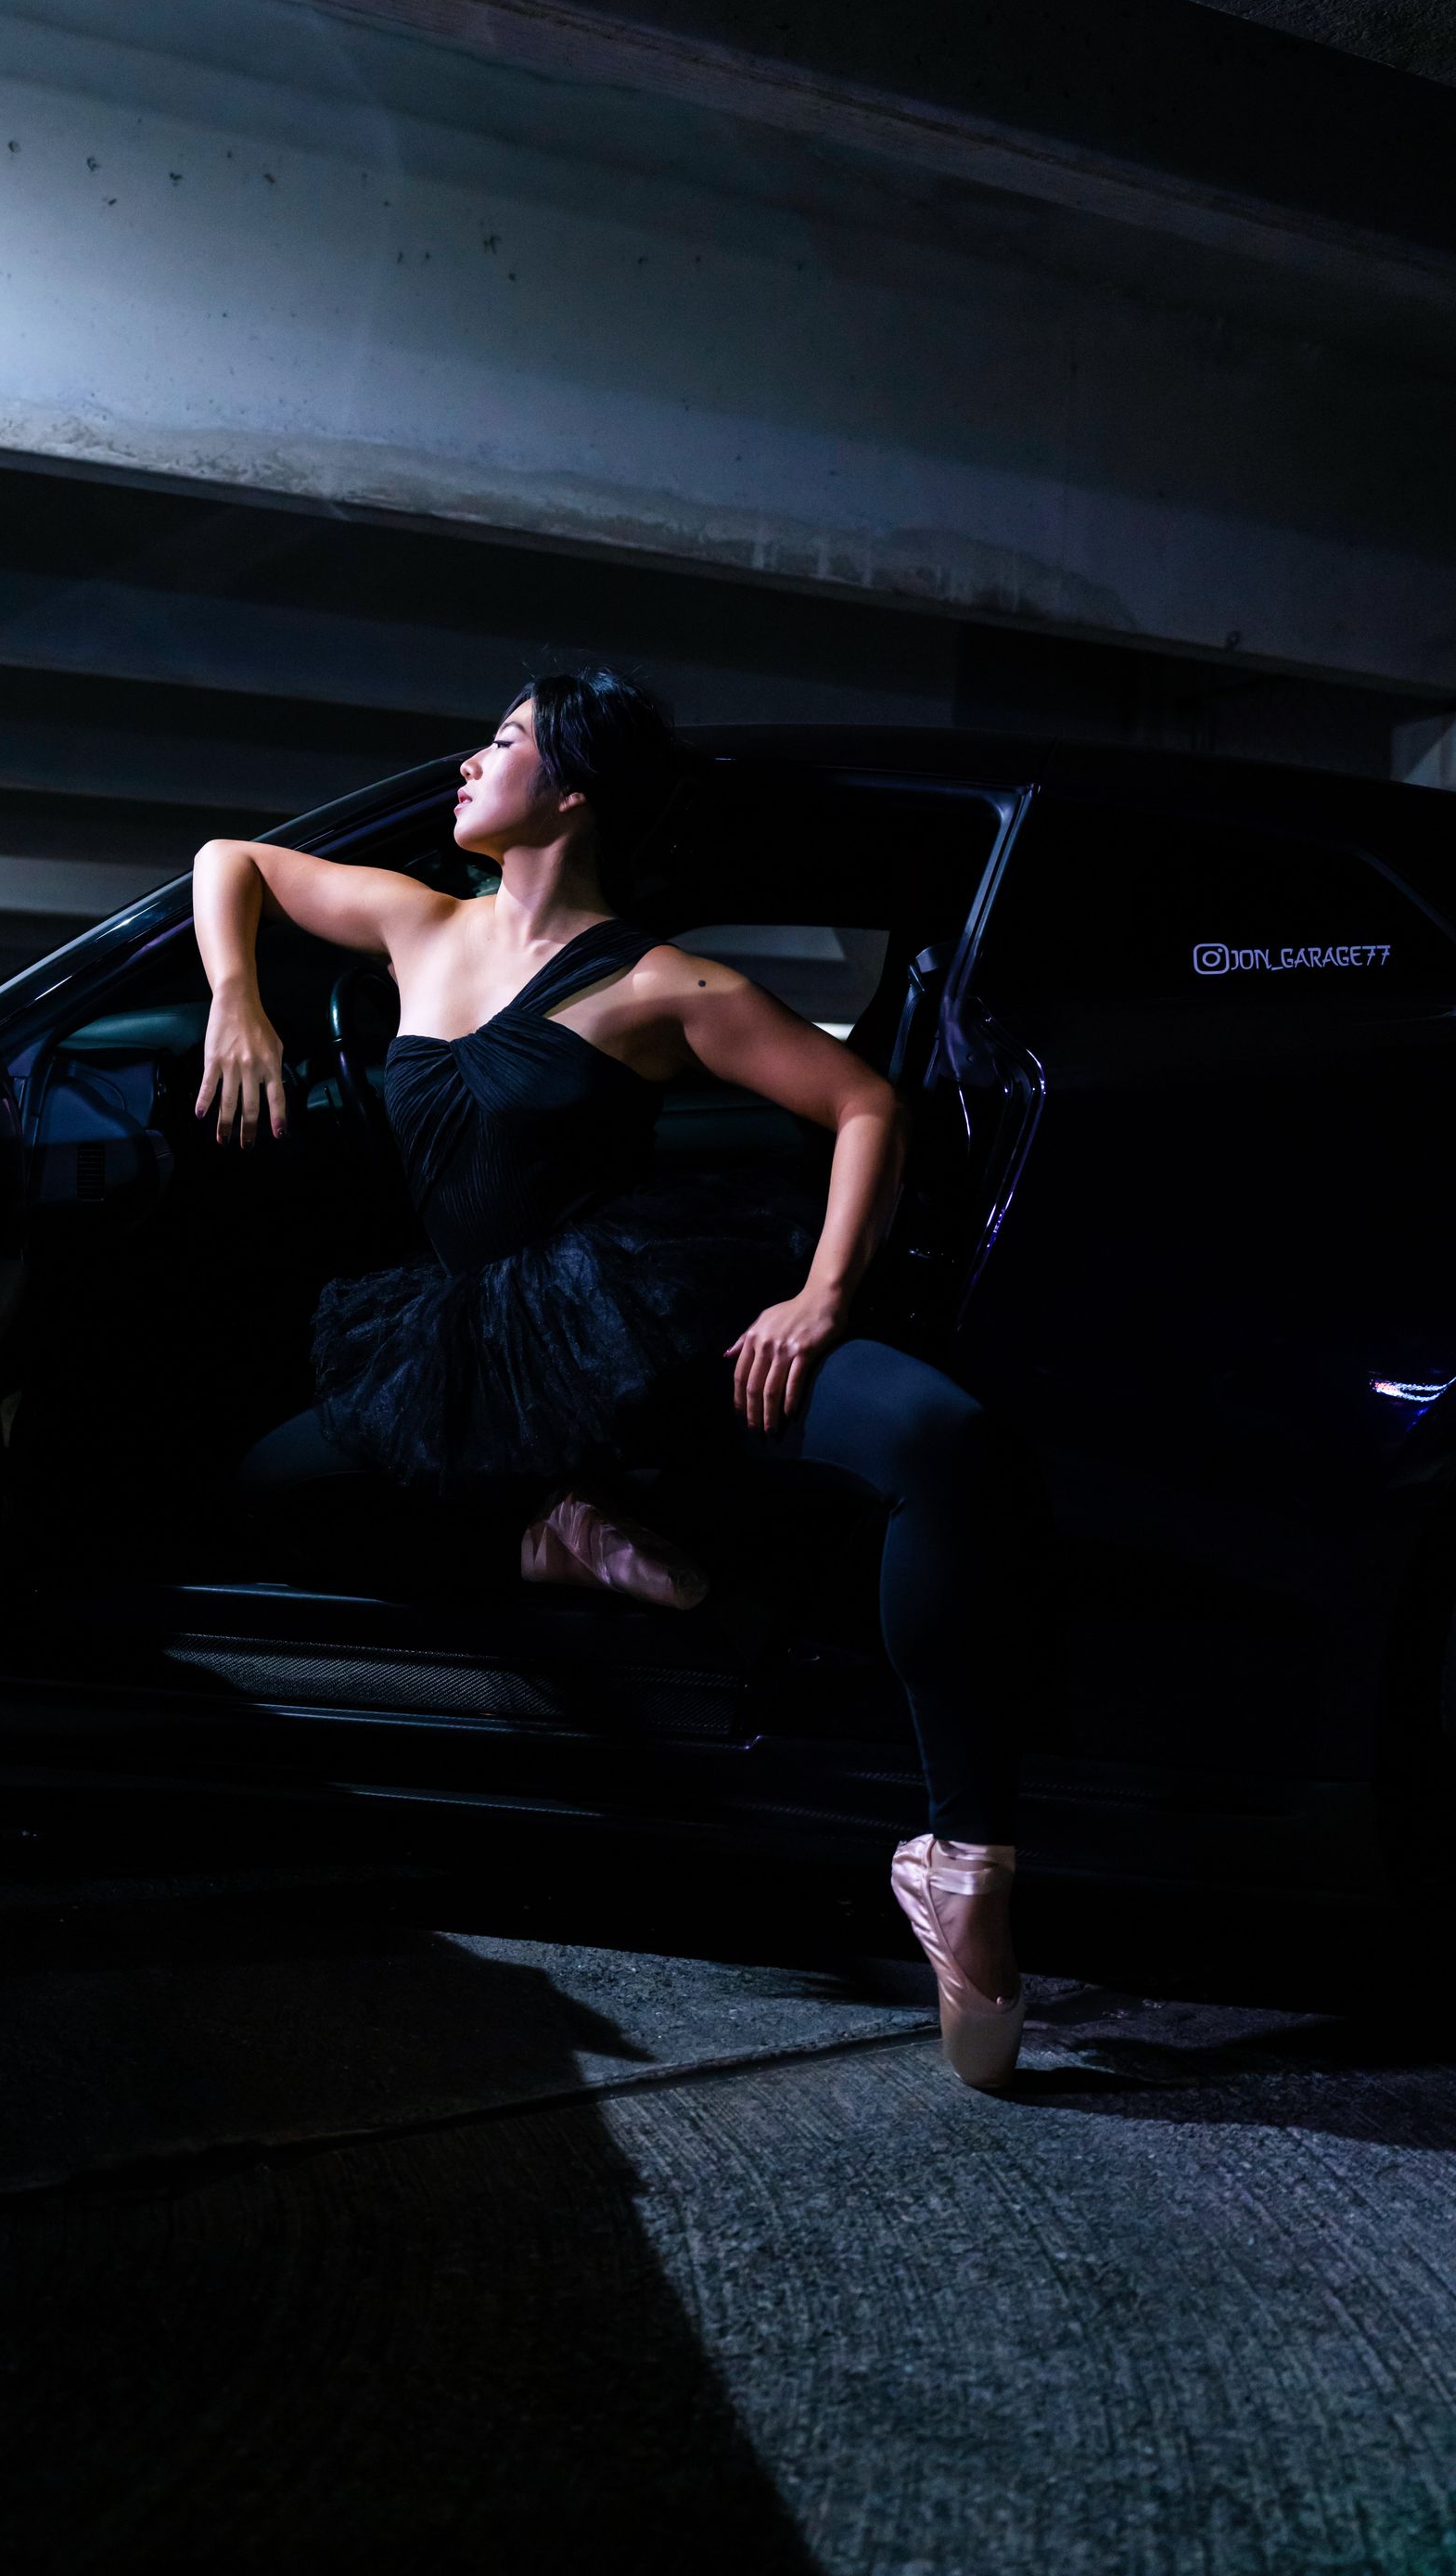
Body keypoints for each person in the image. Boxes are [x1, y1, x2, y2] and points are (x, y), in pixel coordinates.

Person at [191, 670, 1041, 2089]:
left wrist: (819, 1297)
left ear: (574, 789)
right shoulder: (417, 921)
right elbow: (233, 863)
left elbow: (865, 1104)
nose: (469, 759)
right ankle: (546, 1529)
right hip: (463, 1340)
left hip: (632, 1314)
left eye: (506, 740)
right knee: (264, 1495)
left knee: (941, 1438)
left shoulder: (663, 981)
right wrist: (236, 1002)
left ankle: (964, 1866)